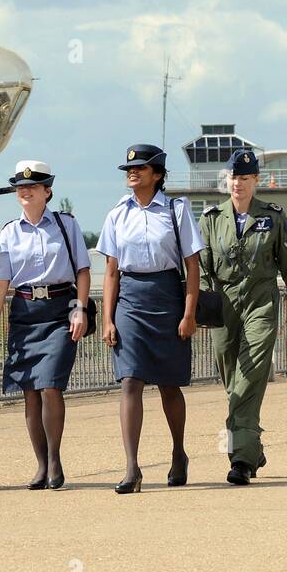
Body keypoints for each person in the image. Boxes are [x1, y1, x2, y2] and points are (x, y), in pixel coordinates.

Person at [199, 148, 287, 485]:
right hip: (223, 305)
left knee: (249, 374)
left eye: (245, 178)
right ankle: (252, 444)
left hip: (260, 301)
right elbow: (203, 270)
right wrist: (199, 311)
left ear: (256, 181)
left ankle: (242, 460)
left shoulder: (273, 217)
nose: (239, 183)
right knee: (231, 376)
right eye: (234, 177)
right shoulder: (210, 219)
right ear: (228, 180)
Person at [98, 143, 203, 492]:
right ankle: (132, 468)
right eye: (130, 168)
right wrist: (108, 319)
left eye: (141, 168)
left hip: (167, 296)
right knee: (130, 380)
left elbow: (192, 264)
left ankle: (178, 453)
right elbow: (111, 270)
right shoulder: (117, 214)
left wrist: (189, 314)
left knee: (169, 384)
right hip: (130, 299)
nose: (133, 172)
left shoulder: (176, 209)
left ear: (157, 175)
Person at [0, 161, 91, 490]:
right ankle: (41, 464)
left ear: (48, 191)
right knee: (30, 391)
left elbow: (83, 271)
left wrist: (80, 309)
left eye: (34, 186)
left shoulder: (65, 225)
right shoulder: (8, 232)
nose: (26, 191)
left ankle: (55, 458)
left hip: (60, 310)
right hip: (25, 312)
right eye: (20, 187)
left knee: (50, 386)